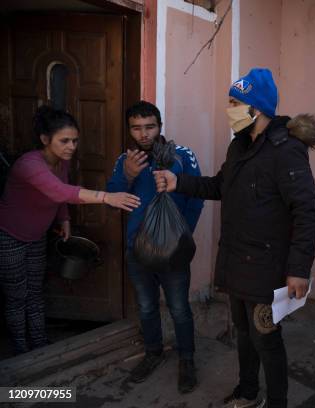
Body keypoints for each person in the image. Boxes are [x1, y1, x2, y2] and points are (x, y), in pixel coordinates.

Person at [153, 68, 315, 408]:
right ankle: (247, 392)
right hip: (236, 260)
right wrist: (179, 182)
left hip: (267, 267)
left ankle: (277, 402)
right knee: (244, 335)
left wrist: (299, 269)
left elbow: (307, 211)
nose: (228, 110)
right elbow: (219, 185)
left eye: (234, 103)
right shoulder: (240, 146)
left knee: (266, 339)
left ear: (255, 108)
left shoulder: (285, 150)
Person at [0, 106, 140, 355]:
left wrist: (64, 220)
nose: (71, 146)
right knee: (16, 295)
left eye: (74, 140)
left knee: (34, 291)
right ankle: (22, 349)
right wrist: (107, 197)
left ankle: (40, 344)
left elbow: (60, 195)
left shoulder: (61, 163)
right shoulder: (29, 165)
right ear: (45, 139)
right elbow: (60, 191)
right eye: (64, 141)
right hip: (10, 236)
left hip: (36, 237)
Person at [106, 101, 203, 394]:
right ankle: (153, 353)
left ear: (160, 126)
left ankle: (187, 359)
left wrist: (181, 238)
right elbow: (112, 198)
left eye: (149, 126)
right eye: (136, 128)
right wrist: (128, 176)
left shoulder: (182, 155)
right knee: (147, 307)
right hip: (138, 250)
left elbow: (196, 197)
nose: (143, 134)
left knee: (179, 308)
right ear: (129, 129)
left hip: (174, 250)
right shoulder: (126, 159)